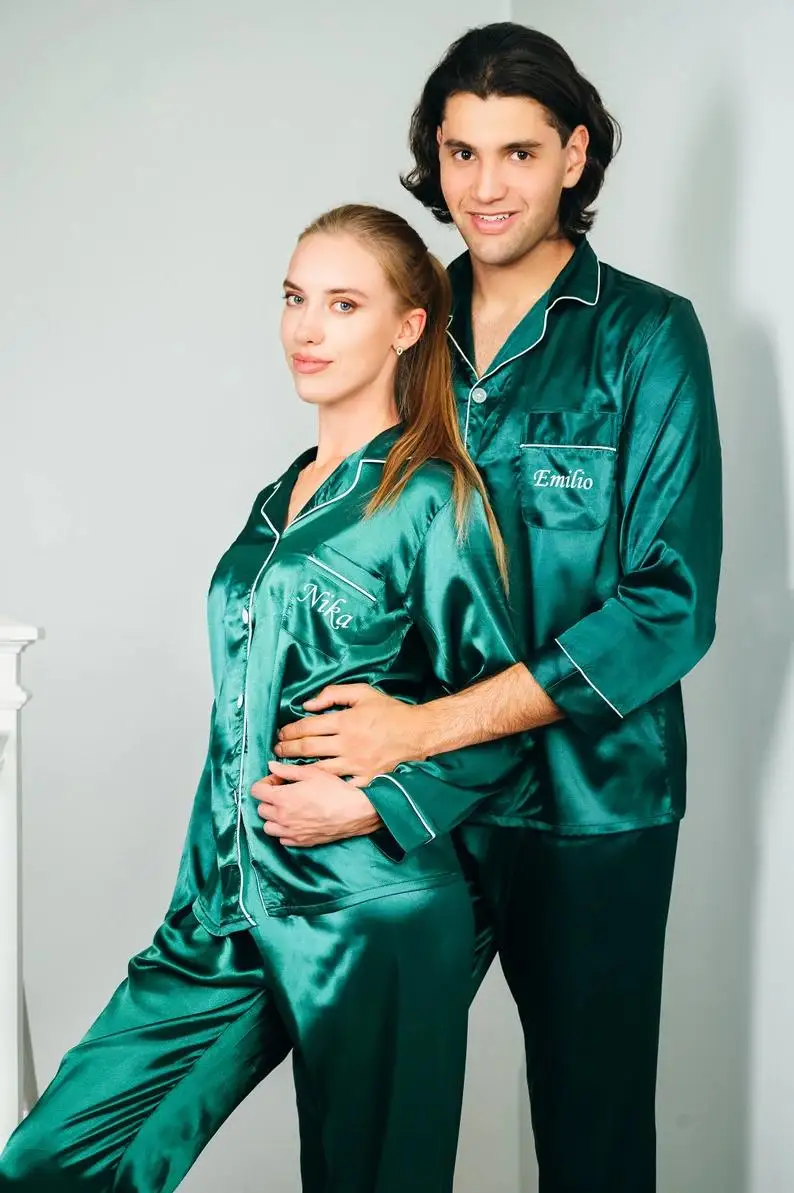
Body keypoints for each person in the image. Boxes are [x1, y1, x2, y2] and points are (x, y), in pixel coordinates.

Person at [0, 204, 538, 1193]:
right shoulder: (277, 498)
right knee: (49, 1162)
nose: (307, 328)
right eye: (295, 299)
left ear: (408, 325)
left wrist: (371, 802)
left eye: (342, 304)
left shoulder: (433, 500)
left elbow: (503, 723)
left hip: (369, 908)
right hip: (221, 907)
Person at [270, 24, 723, 1193]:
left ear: (573, 155)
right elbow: (349, 550)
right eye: (459, 152)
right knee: (366, 1121)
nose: (483, 186)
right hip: (415, 807)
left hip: (592, 808)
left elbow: (667, 605)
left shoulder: (646, 338)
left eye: (517, 153)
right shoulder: (404, 329)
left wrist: (423, 726)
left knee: (591, 1139)